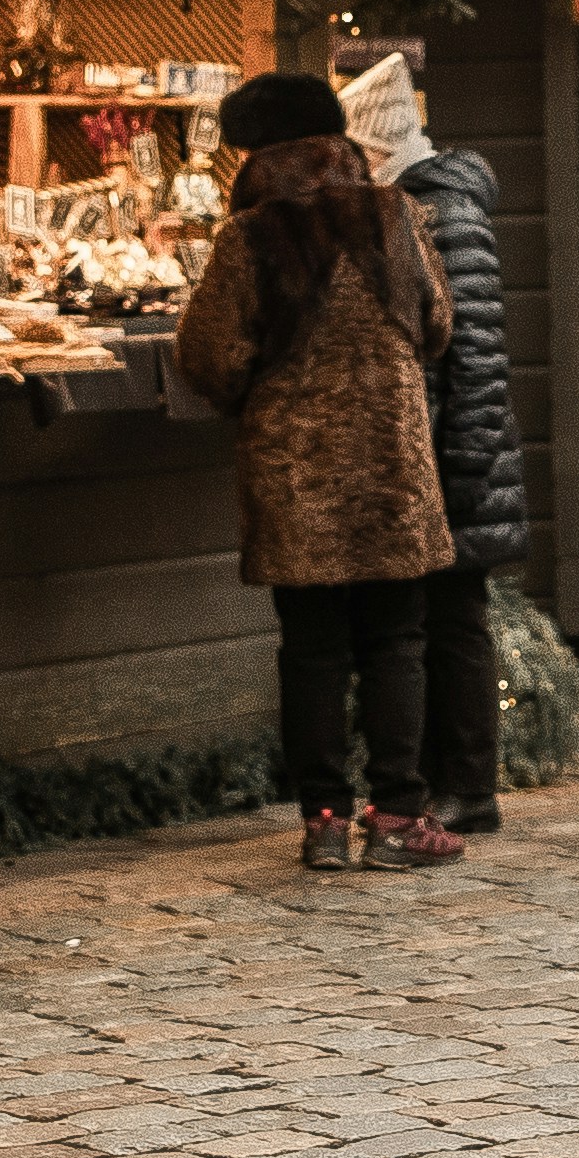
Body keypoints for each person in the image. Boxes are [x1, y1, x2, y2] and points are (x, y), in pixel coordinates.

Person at [178, 71, 464, 872]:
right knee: (396, 643)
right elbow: (438, 326)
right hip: (390, 470)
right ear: (336, 143)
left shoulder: (248, 240)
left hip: (293, 474)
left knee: (311, 650)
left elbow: (210, 356)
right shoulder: (396, 216)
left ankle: (326, 823)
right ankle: (400, 819)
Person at [336, 50, 524, 835]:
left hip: (454, 449)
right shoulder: (432, 204)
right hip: (451, 446)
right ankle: (461, 785)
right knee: (450, 620)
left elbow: (474, 350)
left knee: (452, 621)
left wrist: (463, 461)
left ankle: (469, 788)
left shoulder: (439, 210)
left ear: (378, 154)